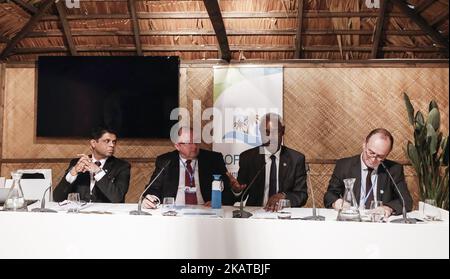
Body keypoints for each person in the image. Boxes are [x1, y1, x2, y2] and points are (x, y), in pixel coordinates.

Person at [323, 128, 413, 217]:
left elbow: (406, 201)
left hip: (379, 221)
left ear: (387, 154)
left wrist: (388, 208)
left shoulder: (393, 169)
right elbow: (330, 194)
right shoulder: (344, 165)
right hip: (352, 219)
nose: (373, 159)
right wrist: (336, 202)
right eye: (371, 152)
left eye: (380, 156)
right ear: (364, 144)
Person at [230, 113, 308, 211]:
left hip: (284, 214)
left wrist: (283, 196)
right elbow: (240, 195)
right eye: (266, 132)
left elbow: (302, 195)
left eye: (275, 132)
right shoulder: (248, 158)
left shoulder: (296, 159)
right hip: (256, 214)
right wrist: (237, 191)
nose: (270, 137)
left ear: (283, 131)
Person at [142, 127, 233, 208]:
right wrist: (152, 199)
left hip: (205, 211)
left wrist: (217, 201)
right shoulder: (166, 161)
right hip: (173, 212)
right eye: (189, 143)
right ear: (177, 146)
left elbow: (227, 191)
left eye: (196, 142)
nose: (194, 147)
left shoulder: (213, 159)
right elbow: (153, 188)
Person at [54, 127, 131, 203]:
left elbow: (117, 198)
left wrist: (98, 172)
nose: (112, 145)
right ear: (93, 143)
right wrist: (73, 173)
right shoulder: (77, 163)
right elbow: (57, 198)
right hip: (79, 213)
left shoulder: (122, 166)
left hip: (106, 214)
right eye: (107, 141)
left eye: (114, 142)